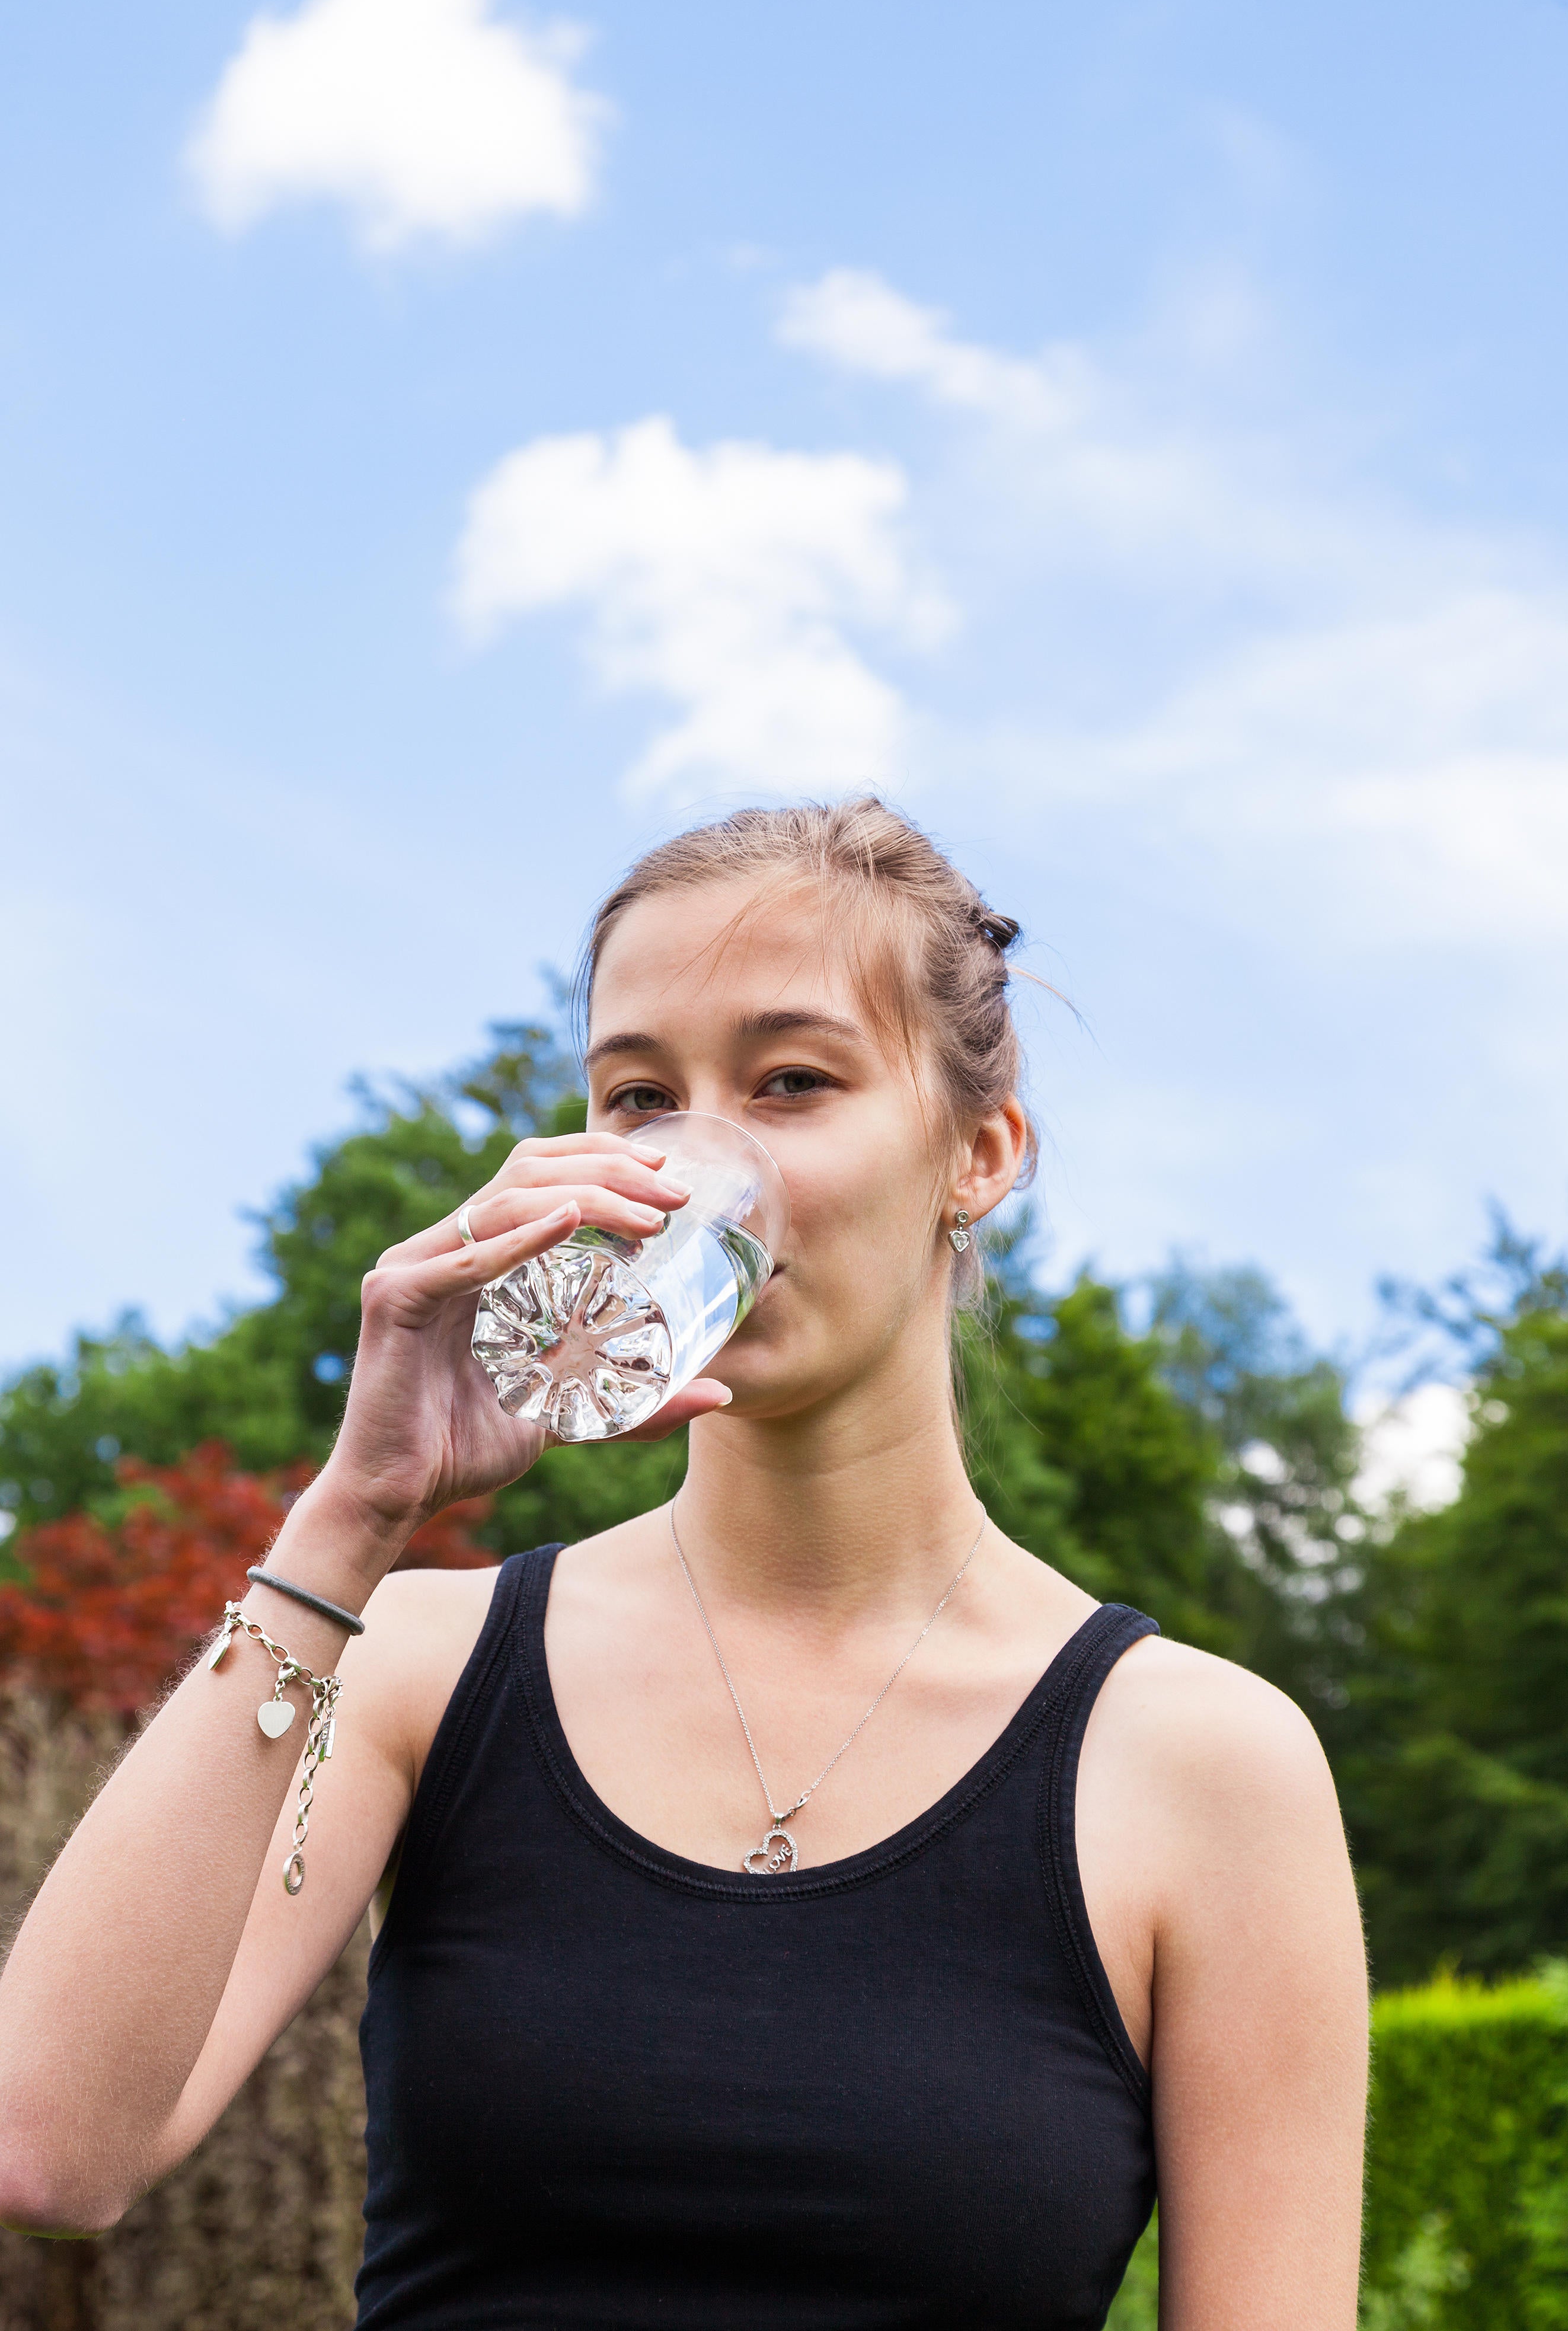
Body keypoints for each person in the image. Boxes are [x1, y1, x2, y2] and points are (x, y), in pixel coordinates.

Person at [0, 799, 1368, 2327]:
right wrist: (354, 1510)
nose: (693, 1163)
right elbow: (47, 2153)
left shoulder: (1206, 1765)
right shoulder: (416, 1665)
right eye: (639, 1100)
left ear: (976, 1155)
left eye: (792, 1082)